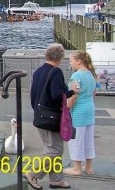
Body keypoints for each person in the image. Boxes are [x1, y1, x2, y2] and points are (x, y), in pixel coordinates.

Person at [24, 43, 79, 190]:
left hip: (40, 115)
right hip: (51, 118)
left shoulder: (38, 71)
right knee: (54, 151)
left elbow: (33, 95)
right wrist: (72, 92)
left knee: (53, 149)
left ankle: (56, 179)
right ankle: (32, 173)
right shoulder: (56, 72)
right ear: (60, 57)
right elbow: (56, 96)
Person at [63, 50, 97, 176]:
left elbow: (74, 94)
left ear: (78, 61)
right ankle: (88, 167)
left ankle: (76, 168)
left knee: (75, 139)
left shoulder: (76, 76)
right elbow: (94, 94)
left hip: (78, 111)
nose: (70, 64)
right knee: (88, 139)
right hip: (90, 109)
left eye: (71, 61)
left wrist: (67, 108)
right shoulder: (92, 75)